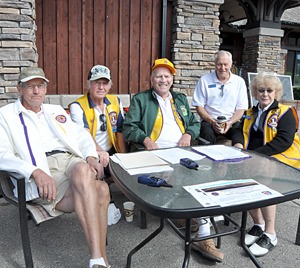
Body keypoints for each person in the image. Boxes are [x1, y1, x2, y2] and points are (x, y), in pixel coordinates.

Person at [0, 67, 111, 268]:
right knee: (102, 190)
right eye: (30, 86)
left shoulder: (55, 111)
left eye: (40, 86)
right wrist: (33, 171)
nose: (36, 91)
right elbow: (2, 154)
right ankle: (102, 260)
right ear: (20, 89)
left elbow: (80, 135)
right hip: (42, 167)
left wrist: (91, 156)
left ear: (45, 89)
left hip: (69, 160)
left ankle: (96, 259)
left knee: (82, 169)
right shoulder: (6, 115)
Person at [123, 58, 224, 263]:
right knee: (187, 177)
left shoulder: (179, 99)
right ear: (151, 79)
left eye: (167, 76)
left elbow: (194, 124)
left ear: (172, 79)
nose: (163, 80)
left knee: (206, 172)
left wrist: (188, 134)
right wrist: (145, 139)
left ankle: (200, 230)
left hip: (182, 150)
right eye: (159, 76)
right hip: (153, 152)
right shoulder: (141, 100)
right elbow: (128, 128)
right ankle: (198, 228)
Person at [232, 72, 300, 257]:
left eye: (269, 90)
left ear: (276, 92)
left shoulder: (285, 112)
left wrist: (254, 156)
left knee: (262, 180)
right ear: (255, 92)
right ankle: (258, 224)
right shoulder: (250, 112)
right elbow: (237, 130)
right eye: (261, 90)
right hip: (255, 157)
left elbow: (284, 141)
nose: (265, 94)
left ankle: (271, 234)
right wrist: (238, 144)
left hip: (282, 158)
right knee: (240, 176)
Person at [69, 64, 127, 179]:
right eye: (97, 82)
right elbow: (83, 136)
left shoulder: (115, 101)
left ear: (110, 86)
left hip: (111, 151)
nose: (101, 87)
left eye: (105, 83)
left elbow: (119, 131)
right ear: (89, 85)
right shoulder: (77, 106)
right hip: (89, 152)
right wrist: (100, 152)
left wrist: (124, 157)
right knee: (95, 175)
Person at [192, 50, 248, 145]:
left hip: (231, 121)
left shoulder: (239, 82)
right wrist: (212, 122)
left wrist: (230, 123)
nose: (223, 68)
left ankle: (239, 157)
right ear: (215, 64)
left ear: (231, 64)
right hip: (210, 121)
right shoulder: (204, 80)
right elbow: (199, 106)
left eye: (225, 64)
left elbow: (241, 109)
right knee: (207, 136)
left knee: (240, 139)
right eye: (219, 64)